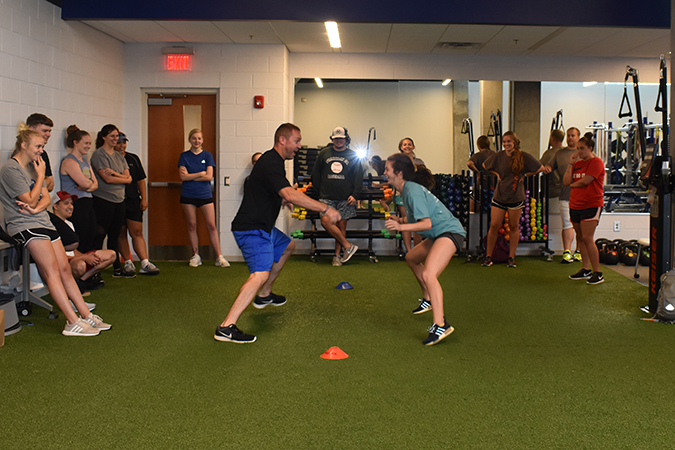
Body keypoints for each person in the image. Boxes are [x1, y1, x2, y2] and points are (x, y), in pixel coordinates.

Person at [215, 123, 341, 343]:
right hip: (252, 229)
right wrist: (326, 208)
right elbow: (290, 194)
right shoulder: (271, 162)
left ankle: (264, 295)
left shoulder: (275, 163)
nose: (299, 146)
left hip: (263, 227)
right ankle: (226, 327)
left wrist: (281, 199)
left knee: (287, 246)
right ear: (282, 140)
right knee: (259, 274)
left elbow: (271, 191)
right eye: (297, 141)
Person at [0, 127, 110, 336]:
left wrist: (35, 205)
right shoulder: (10, 170)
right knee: (51, 271)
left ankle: (86, 315)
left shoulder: (32, 169)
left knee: (64, 270)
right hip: (25, 226)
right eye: (38, 146)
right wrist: (40, 178)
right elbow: (31, 198)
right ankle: (71, 321)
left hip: (44, 223)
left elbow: (44, 199)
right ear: (24, 145)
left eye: (42, 147)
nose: (41, 151)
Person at [384, 153, 466, 346]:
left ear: (399, 172)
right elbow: (416, 219)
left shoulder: (411, 190)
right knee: (412, 257)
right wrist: (400, 220)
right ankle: (428, 298)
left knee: (429, 274)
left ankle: (441, 325)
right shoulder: (405, 191)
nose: (384, 172)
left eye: (387, 169)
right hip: (438, 234)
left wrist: (400, 228)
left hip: (449, 232)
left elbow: (426, 223)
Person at [482, 131, 544, 268]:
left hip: (516, 197)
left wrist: (526, 174)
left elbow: (541, 168)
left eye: (509, 141)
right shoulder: (498, 156)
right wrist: (496, 173)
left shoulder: (523, 156)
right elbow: (485, 166)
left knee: (514, 227)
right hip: (500, 196)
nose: (506, 144)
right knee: (494, 226)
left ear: (515, 142)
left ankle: (511, 258)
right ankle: (488, 257)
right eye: (504, 142)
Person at [178, 128, 230, 268]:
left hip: (205, 195)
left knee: (211, 226)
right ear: (189, 140)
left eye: (199, 138)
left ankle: (219, 256)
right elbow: (183, 177)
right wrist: (199, 173)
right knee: (192, 225)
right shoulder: (184, 156)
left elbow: (209, 176)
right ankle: (196, 255)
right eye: (194, 138)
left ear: (202, 140)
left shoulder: (207, 155)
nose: (196, 141)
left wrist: (191, 175)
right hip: (188, 195)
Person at [311, 127, 362, 266]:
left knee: (341, 227)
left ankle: (337, 256)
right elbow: (315, 173)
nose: (338, 141)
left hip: (345, 197)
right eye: (336, 138)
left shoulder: (352, 155)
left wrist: (355, 195)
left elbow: (358, 177)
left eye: (341, 138)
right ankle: (348, 246)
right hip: (326, 196)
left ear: (346, 139)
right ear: (332, 139)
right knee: (325, 222)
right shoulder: (324, 153)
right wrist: (317, 191)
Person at [49, 191, 115, 294]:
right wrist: (84, 258)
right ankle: (71, 287)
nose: (70, 207)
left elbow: (73, 250)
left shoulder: (69, 224)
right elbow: (56, 256)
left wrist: (88, 257)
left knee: (111, 255)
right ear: (55, 206)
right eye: (66, 203)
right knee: (80, 265)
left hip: (74, 259)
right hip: (62, 264)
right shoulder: (51, 226)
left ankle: (80, 282)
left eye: (71, 204)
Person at [91, 124, 135, 278]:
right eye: (112, 136)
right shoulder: (99, 155)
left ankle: (117, 268)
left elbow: (129, 179)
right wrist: (120, 178)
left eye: (117, 136)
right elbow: (107, 179)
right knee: (100, 235)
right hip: (103, 200)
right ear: (103, 137)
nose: (115, 139)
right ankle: (95, 271)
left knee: (114, 236)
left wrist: (116, 174)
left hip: (119, 201)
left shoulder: (118, 155)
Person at [114, 133, 160, 275]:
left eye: (124, 142)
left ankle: (145, 262)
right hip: (117, 200)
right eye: (119, 143)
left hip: (133, 200)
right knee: (121, 232)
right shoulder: (109, 160)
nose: (122, 145)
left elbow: (140, 180)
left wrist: (144, 199)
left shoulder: (132, 158)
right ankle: (128, 262)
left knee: (137, 232)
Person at [564, 133, 606, 285]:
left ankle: (598, 272)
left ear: (590, 148)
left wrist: (572, 185)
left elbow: (585, 181)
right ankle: (585, 269)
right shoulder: (577, 164)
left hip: (591, 204)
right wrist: (570, 164)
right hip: (575, 204)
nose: (579, 151)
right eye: (578, 148)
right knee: (580, 237)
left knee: (588, 238)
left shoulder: (596, 162)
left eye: (582, 148)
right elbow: (566, 181)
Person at [60, 125, 98, 253]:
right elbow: (87, 184)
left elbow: (95, 184)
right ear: (75, 143)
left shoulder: (85, 161)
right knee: (80, 238)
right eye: (86, 143)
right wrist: (88, 185)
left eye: (90, 143)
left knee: (91, 235)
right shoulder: (69, 162)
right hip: (77, 203)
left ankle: (90, 267)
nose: (88, 146)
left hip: (88, 202)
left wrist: (88, 185)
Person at [544, 130, 578, 264]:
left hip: (581, 196)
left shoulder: (584, 154)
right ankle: (567, 252)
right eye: (569, 135)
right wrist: (546, 168)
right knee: (567, 224)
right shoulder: (559, 154)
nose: (570, 138)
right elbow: (548, 166)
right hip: (564, 195)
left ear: (578, 137)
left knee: (580, 226)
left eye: (573, 135)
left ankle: (579, 252)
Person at [26, 113, 55, 192]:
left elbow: (51, 185)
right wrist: (43, 180)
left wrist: (39, 183)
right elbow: (27, 189)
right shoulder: (22, 154)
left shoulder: (43, 154)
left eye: (49, 131)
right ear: (31, 130)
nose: (48, 134)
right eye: (45, 131)